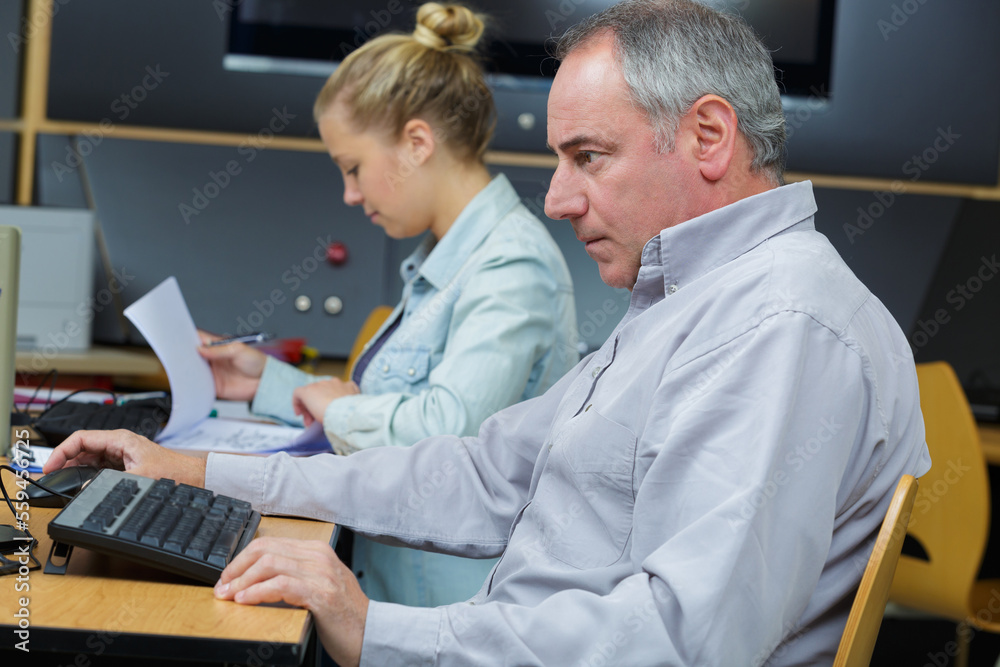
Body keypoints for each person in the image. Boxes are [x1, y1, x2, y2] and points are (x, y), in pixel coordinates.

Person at [46, 1, 932, 665]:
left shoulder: (781, 327)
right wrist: (202, 472)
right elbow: (483, 471)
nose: (556, 198)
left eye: (587, 157)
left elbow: (677, 639)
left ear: (707, 134)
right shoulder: (693, 301)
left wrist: (375, 628)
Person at [196, 2, 579, 608]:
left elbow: (446, 438)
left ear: (417, 142)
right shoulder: (449, 257)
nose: (350, 194)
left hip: (446, 614)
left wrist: (341, 413)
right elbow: (400, 403)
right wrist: (269, 383)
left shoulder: (511, 267)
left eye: (353, 168)